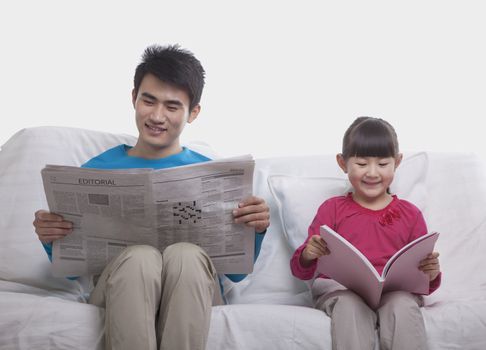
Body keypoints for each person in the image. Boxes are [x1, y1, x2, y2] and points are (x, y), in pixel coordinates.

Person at [33, 44, 270, 350]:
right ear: (134, 98)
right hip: (120, 290)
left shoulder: (212, 174)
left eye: (172, 107)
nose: (158, 116)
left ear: (193, 113)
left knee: (185, 254)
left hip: (192, 289)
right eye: (149, 101)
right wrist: (50, 236)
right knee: (140, 257)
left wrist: (257, 229)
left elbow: (236, 274)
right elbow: (71, 273)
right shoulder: (97, 169)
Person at [290, 116, 441, 350]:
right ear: (343, 163)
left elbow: (425, 281)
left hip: (394, 293)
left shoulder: (410, 214)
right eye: (361, 164)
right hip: (342, 291)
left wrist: (431, 273)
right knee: (349, 307)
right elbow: (300, 269)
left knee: (402, 306)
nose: (372, 173)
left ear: (397, 162)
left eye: (382, 164)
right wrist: (309, 253)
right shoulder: (332, 209)